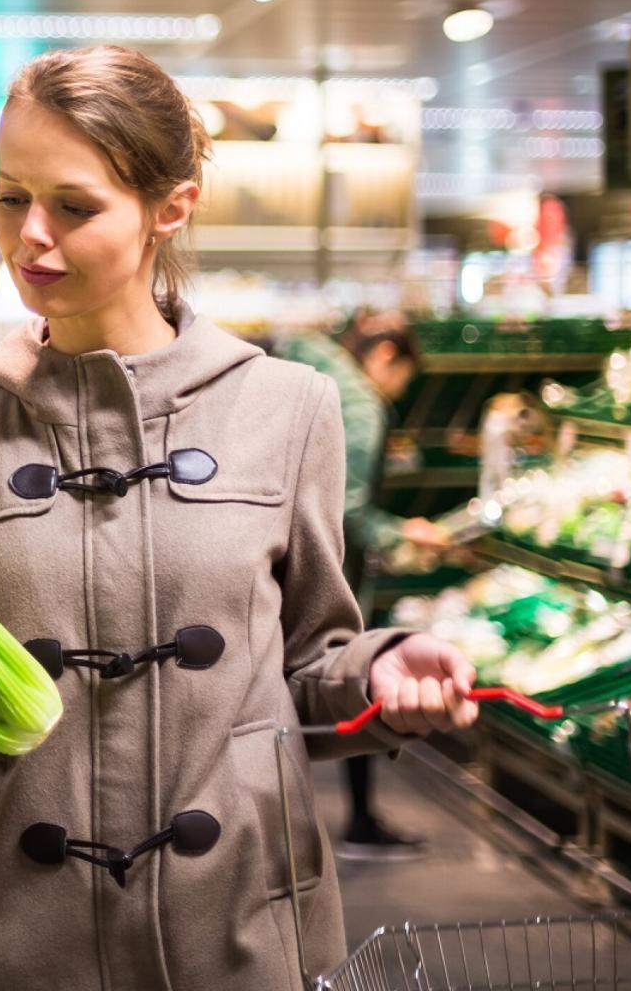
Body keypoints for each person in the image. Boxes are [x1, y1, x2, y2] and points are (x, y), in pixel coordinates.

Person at [0, 46, 478, 991]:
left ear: (169, 209)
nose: (31, 239)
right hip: (13, 942)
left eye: (75, 205)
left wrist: (383, 667)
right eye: (11, 197)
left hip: (235, 931)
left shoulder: (289, 410)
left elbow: (302, 672)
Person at [279, 315, 453, 861]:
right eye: (406, 375)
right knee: (352, 672)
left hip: (279, 566)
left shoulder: (300, 371)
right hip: (327, 572)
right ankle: (357, 822)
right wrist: (405, 531)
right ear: (384, 357)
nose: (400, 389)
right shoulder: (359, 405)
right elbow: (348, 510)